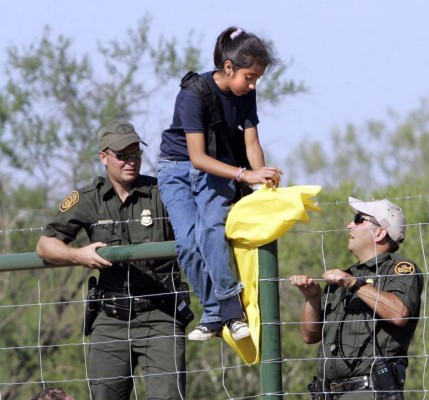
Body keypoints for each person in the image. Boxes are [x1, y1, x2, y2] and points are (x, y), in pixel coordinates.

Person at [36, 119, 187, 400]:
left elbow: (195, 229)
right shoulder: (88, 198)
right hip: (110, 318)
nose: (131, 161)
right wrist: (78, 255)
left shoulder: (162, 192)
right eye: (122, 156)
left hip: (161, 312)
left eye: (136, 154)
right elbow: (46, 245)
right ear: (103, 157)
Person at [157, 26, 283, 342]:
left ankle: (229, 308)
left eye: (257, 79)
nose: (253, 84)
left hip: (221, 166)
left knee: (211, 228)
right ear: (228, 68)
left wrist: (262, 180)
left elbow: (252, 143)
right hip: (179, 168)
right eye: (249, 77)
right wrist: (244, 175)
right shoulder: (193, 95)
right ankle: (215, 311)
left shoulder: (246, 94)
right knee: (187, 242)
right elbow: (197, 158)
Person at [290, 197, 423, 399]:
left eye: (359, 219)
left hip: (369, 391)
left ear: (379, 232)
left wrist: (354, 284)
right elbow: (310, 336)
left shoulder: (400, 269)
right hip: (328, 393)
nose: (349, 225)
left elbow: (399, 314)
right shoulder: (346, 276)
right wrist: (313, 298)